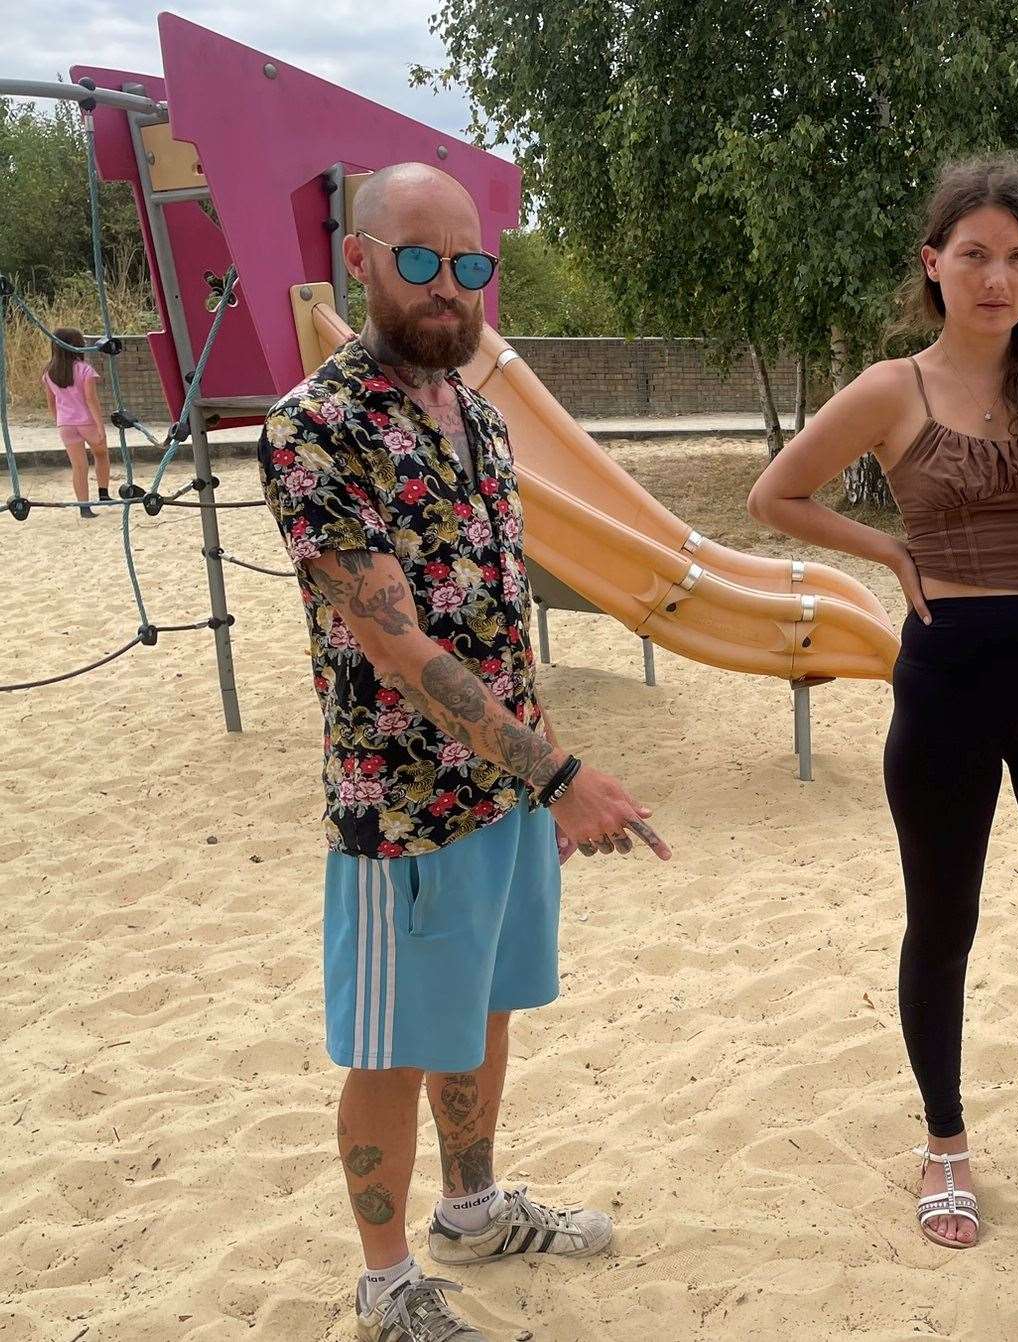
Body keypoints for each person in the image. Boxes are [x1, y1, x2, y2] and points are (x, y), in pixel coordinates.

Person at [748, 153, 1018, 1251]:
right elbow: (776, 495)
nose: (998, 277)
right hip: (945, 681)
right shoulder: (889, 390)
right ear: (933, 263)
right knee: (942, 922)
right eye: (975, 254)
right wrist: (888, 553)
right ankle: (945, 1144)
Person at [257, 162, 672, 1342]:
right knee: (395, 1043)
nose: (449, 288)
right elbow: (397, 645)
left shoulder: (480, 414)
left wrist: (534, 782)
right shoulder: (314, 429)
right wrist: (557, 774)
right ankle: (387, 1284)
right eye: (423, 261)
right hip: (401, 813)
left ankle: (476, 1211)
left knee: (486, 1012)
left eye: (472, 264)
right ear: (361, 258)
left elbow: (499, 626)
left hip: (503, 801)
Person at [42, 329, 111, 518]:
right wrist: (100, 426)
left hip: (65, 423)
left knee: (79, 466)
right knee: (101, 453)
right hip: (86, 421)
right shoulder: (84, 369)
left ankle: (84, 507)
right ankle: (103, 494)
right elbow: (91, 400)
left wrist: (59, 421)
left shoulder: (49, 372)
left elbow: (51, 401)